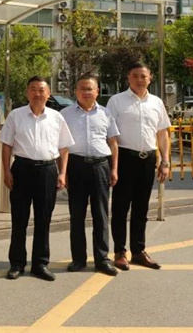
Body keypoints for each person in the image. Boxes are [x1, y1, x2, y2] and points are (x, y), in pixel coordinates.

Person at [1, 77, 73, 282]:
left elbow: (64, 148)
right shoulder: (16, 115)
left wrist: (62, 173)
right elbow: (6, 145)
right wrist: (6, 171)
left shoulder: (56, 117)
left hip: (47, 171)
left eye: (41, 90)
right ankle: (17, 263)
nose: (37, 93)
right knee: (19, 219)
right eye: (33, 89)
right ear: (27, 92)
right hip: (21, 169)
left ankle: (40, 263)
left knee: (43, 219)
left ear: (48, 94)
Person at [107, 62, 171, 271]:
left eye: (143, 76)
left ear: (150, 78)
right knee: (120, 207)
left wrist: (165, 161)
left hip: (148, 159)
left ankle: (138, 250)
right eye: (135, 76)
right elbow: (110, 134)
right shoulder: (116, 101)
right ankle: (119, 251)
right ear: (128, 78)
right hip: (124, 158)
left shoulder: (156, 102)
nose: (139, 80)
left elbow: (162, 133)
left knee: (141, 208)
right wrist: (112, 164)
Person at [60, 73, 120, 276]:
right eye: (82, 88)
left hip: (100, 166)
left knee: (101, 215)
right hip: (75, 166)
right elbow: (61, 146)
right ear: (75, 91)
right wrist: (63, 171)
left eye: (90, 88)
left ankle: (102, 259)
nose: (86, 92)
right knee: (76, 215)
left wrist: (114, 169)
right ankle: (78, 259)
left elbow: (113, 142)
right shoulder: (65, 114)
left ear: (97, 91)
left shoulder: (106, 113)